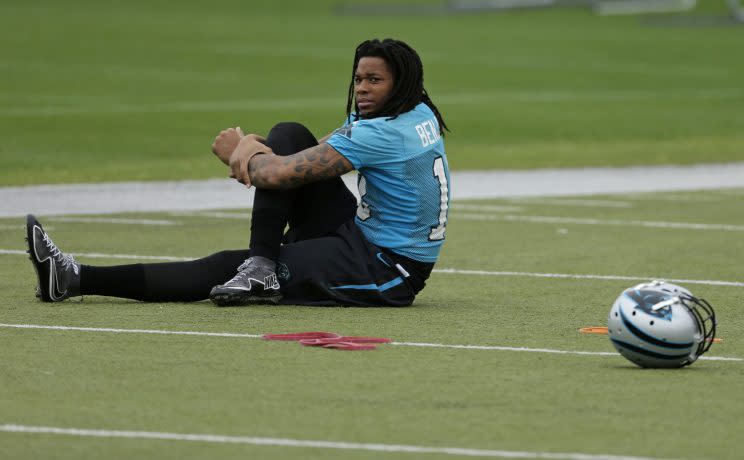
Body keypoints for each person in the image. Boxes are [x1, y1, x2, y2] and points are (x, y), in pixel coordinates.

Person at [25, 38, 451, 307]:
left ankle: (74, 279)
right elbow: (313, 153)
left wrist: (242, 152)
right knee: (288, 133)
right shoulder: (415, 111)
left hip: (385, 270)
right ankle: (262, 265)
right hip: (366, 236)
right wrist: (256, 151)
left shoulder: (383, 133)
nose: (361, 88)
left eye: (374, 80)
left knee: (226, 266)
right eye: (358, 78)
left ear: (400, 85)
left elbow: (278, 177)